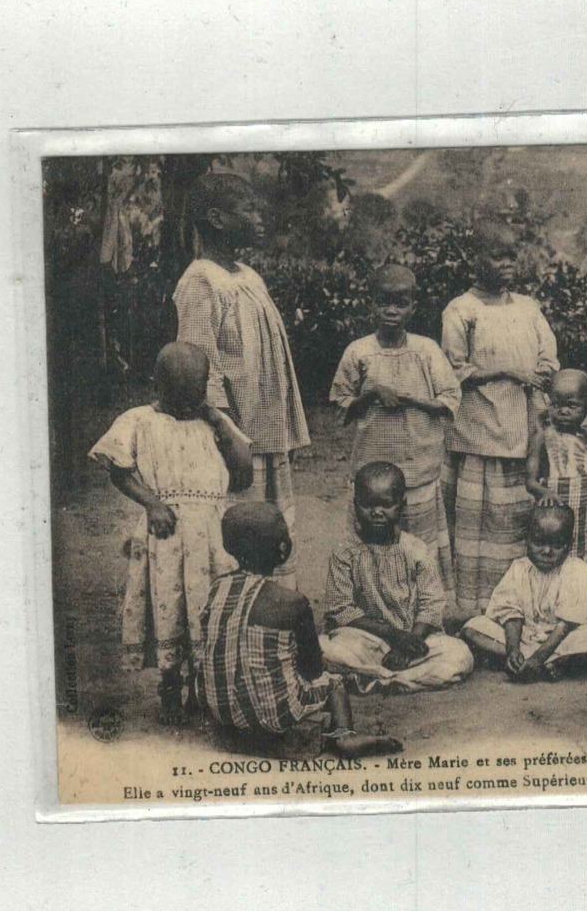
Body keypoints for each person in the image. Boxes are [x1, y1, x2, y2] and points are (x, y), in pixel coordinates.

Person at [89, 342, 253, 723]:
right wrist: (152, 503)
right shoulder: (138, 420)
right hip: (166, 534)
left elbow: (243, 473)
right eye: (177, 396)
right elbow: (118, 468)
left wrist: (217, 420)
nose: (185, 406)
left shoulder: (213, 421)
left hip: (212, 537)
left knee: (208, 607)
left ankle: (201, 683)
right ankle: (169, 684)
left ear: (205, 387)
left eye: (194, 395)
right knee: (168, 605)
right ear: (156, 384)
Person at [173, 171, 309, 584]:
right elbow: (199, 368)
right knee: (241, 531)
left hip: (266, 433)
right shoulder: (200, 281)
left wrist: (285, 428)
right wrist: (226, 434)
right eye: (248, 208)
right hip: (234, 438)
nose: (260, 215)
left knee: (273, 531)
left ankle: (273, 615)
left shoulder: (248, 276)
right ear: (217, 217)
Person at [199, 502, 400, 758]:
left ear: (229, 547)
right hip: (277, 715)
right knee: (334, 683)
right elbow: (313, 669)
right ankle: (345, 736)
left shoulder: (218, 588)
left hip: (220, 709)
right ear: (283, 549)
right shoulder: (291, 602)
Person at [441, 215, 560, 620]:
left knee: (515, 519)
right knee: (481, 523)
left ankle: (517, 605)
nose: (507, 264)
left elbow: (548, 357)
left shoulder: (528, 307)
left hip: (524, 424)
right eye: (497, 256)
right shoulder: (461, 310)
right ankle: (477, 608)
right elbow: (453, 369)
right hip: (480, 431)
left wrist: (538, 376)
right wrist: (508, 372)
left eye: (512, 255)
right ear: (475, 259)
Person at [329, 264, 461, 598]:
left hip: (418, 469)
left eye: (400, 303)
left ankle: (422, 606)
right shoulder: (359, 351)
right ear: (371, 304)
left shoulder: (426, 350)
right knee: (372, 539)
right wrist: (370, 394)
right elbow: (341, 404)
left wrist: (411, 400)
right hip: (372, 471)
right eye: (384, 302)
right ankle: (371, 603)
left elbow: (449, 399)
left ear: (412, 307)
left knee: (417, 544)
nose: (391, 311)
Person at [318, 462, 474, 692]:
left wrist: (407, 643)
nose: (377, 512)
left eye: (386, 505)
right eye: (368, 505)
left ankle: (377, 679)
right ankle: (398, 680)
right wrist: (392, 635)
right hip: (367, 642)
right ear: (355, 504)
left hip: (412, 642)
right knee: (326, 649)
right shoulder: (345, 553)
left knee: (459, 654)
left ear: (402, 505)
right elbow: (341, 609)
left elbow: (431, 606)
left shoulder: (416, 550)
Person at [460, 503, 587, 682]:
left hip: (563, 641)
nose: (547, 551)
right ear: (527, 540)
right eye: (539, 543)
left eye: (557, 545)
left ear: (569, 545)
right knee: (472, 628)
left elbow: (565, 626)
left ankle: (554, 664)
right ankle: (521, 661)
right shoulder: (519, 568)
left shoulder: (577, 571)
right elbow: (511, 614)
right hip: (524, 638)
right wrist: (513, 649)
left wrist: (538, 658)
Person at [525, 368, 587, 566]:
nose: (563, 411)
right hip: (551, 526)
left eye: (571, 406)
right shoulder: (543, 438)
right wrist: (544, 492)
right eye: (556, 405)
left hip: (583, 526)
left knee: (580, 566)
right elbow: (530, 481)